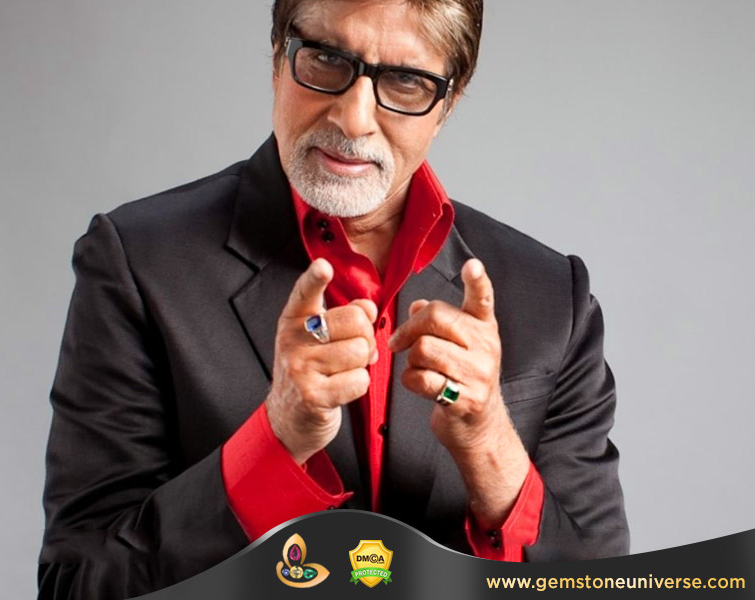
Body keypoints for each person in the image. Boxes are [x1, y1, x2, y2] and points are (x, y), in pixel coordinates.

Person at [39, 0, 629, 597]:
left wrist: (488, 445)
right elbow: (78, 584)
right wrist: (274, 442)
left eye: (406, 81)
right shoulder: (139, 262)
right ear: (278, 57)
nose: (353, 118)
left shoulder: (554, 299)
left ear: (448, 102)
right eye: (325, 59)